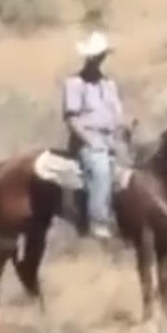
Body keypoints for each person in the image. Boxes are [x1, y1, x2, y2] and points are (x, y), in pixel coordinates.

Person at [62, 31, 127, 239]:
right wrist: (90, 141)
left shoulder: (109, 84)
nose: (99, 60)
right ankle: (97, 222)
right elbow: (72, 120)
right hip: (87, 140)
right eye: (96, 56)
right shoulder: (74, 83)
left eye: (102, 56)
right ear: (88, 58)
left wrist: (125, 128)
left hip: (110, 138)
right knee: (100, 169)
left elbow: (118, 115)